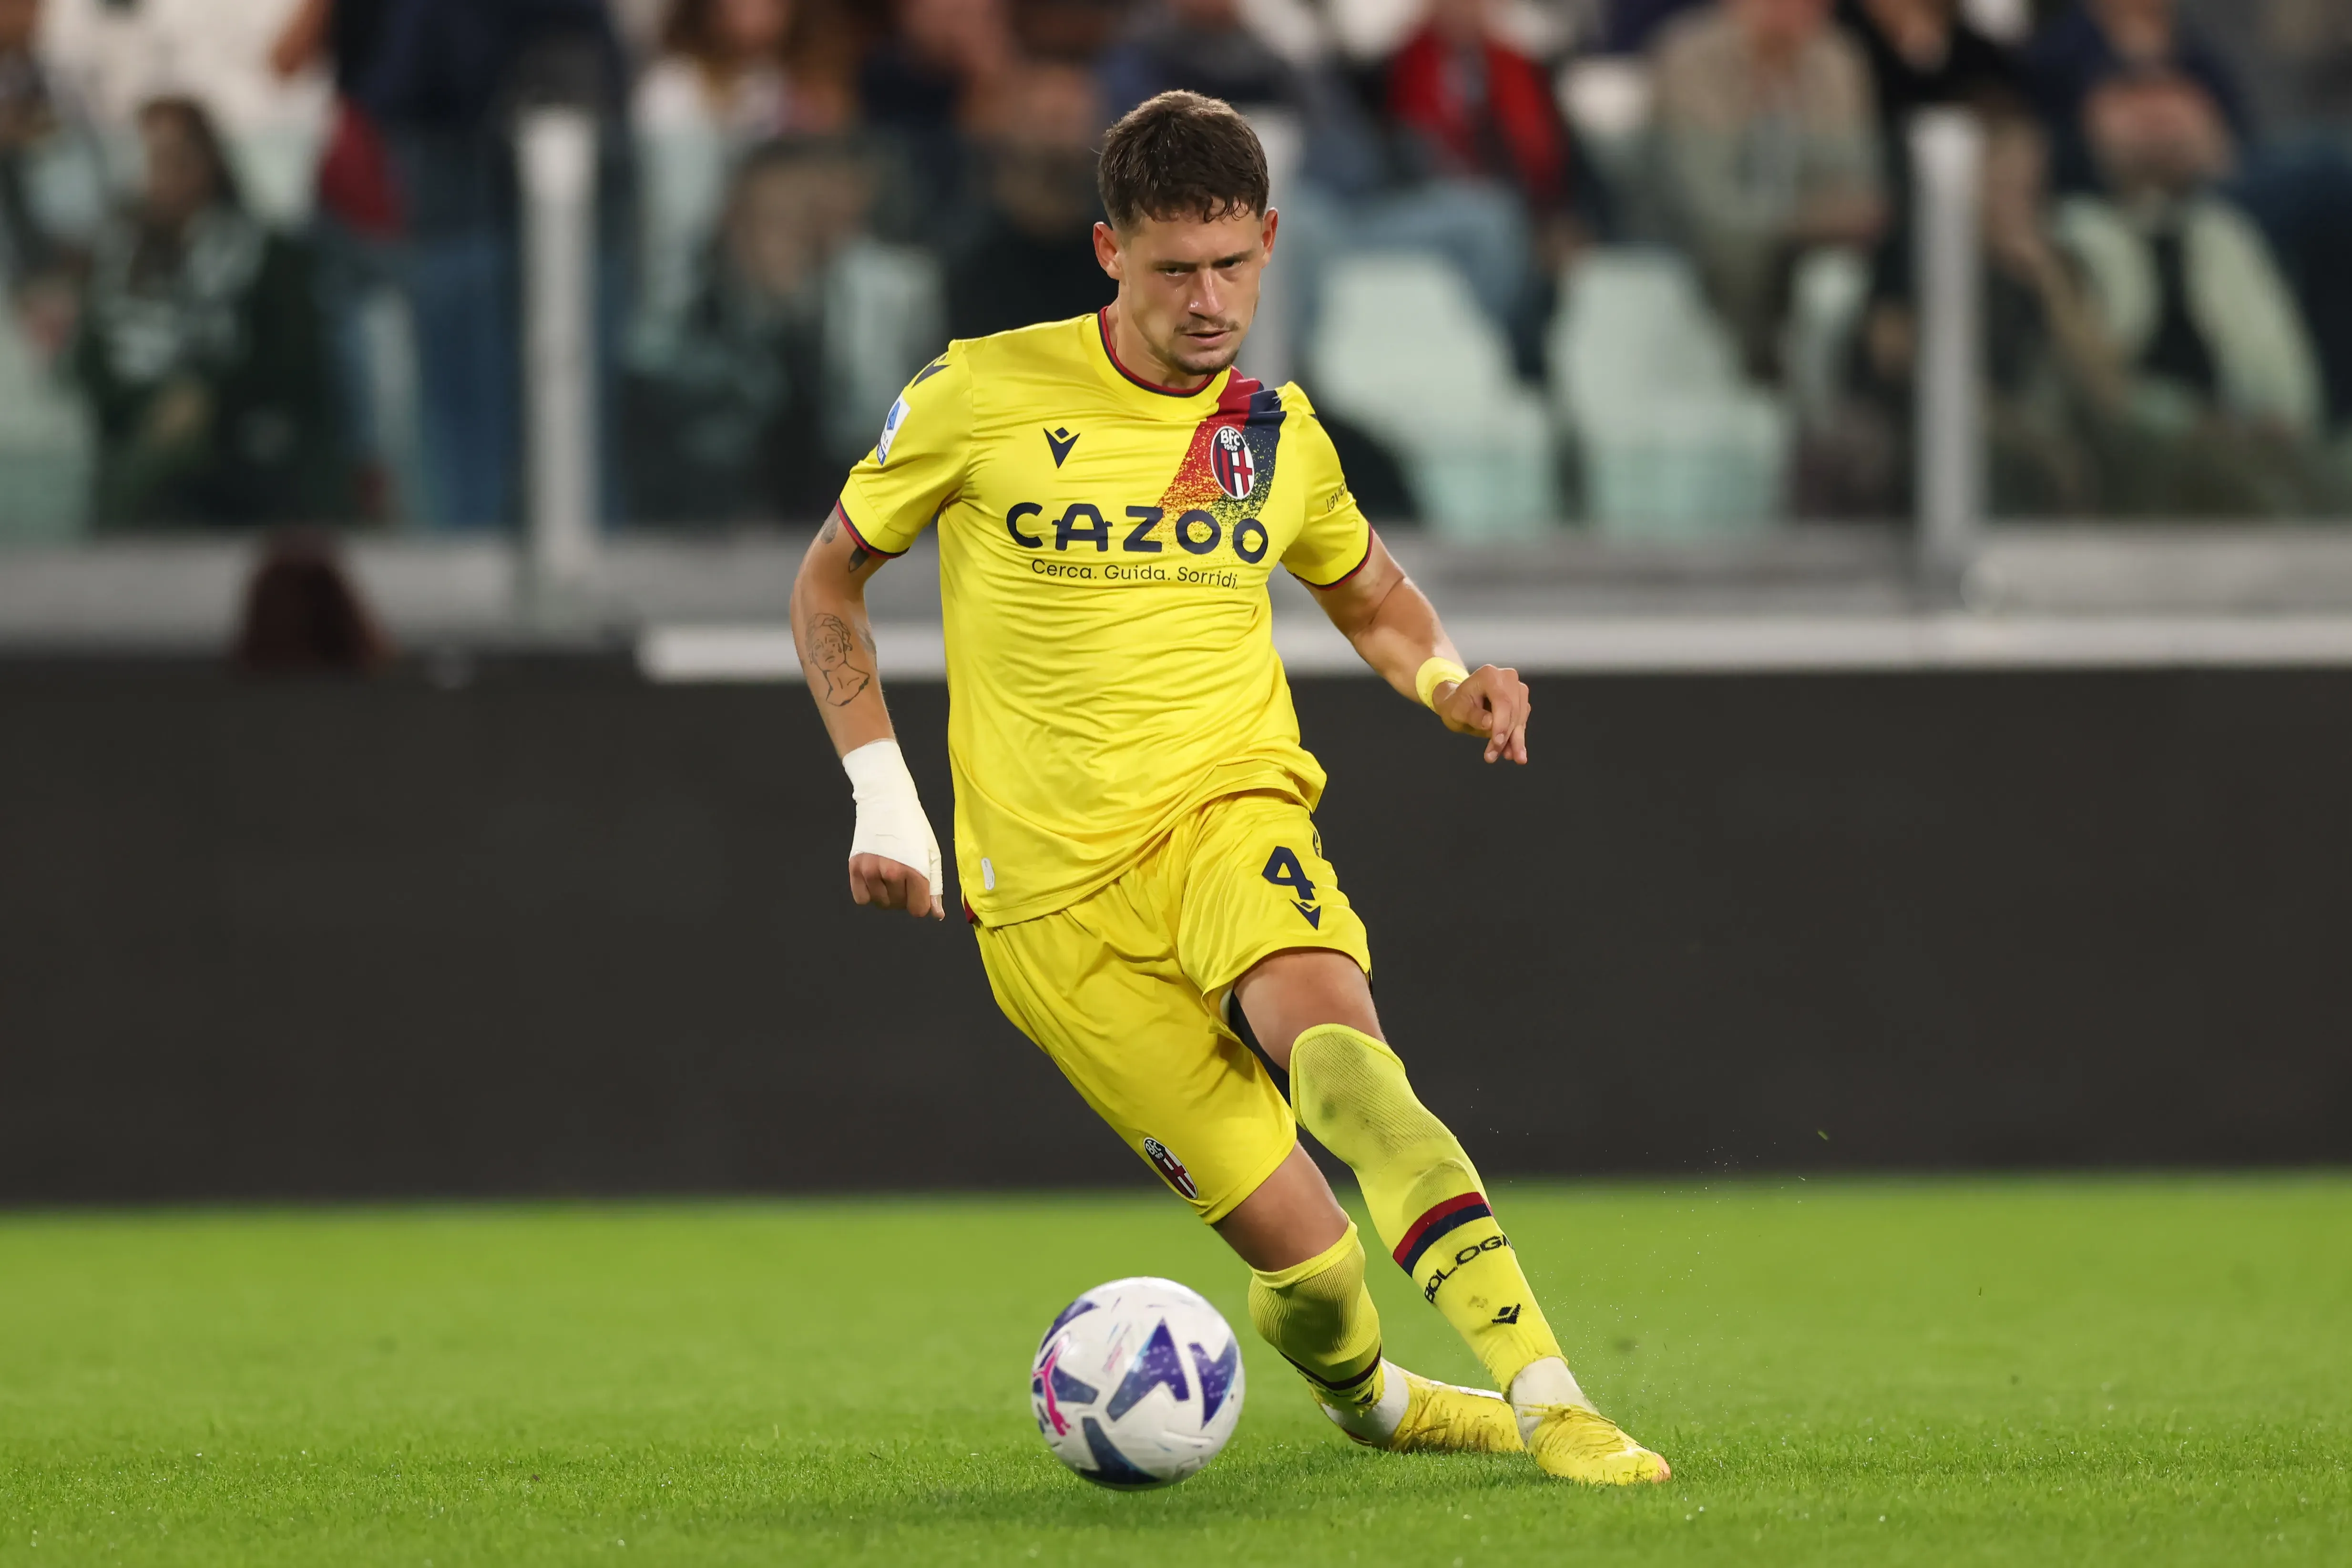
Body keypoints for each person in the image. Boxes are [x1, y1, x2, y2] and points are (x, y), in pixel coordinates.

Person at [787, 90, 1670, 1486]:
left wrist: (1449, 680)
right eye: (1171, 270)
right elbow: (828, 581)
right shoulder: (980, 393)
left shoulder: (1270, 430)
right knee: (1313, 1270)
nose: (1207, 303)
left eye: (1230, 265)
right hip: (1050, 908)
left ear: (1267, 240)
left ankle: (1552, 1395)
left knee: (1349, 1067)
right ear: (1108, 252)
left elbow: (1369, 595)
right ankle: (1374, 1399)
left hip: (1228, 815)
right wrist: (881, 795)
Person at [74, 96, 344, 528]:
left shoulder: (266, 254)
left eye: (178, 160)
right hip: (139, 430)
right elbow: (92, 363)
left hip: (242, 446)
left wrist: (209, 400)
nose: (164, 176)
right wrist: (154, 405)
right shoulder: (116, 259)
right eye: (152, 160)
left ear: (209, 163)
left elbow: (295, 366)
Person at [1653, 0, 1887, 376]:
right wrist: (1799, 218)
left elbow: (1856, 180)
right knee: (1737, 254)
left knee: (1849, 276)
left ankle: (1839, 386)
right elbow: (1710, 199)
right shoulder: (1693, 57)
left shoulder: (1835, 59)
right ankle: (1755, 372)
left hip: (1811, 241)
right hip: (1706, 245)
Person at [944, 61, 1112, 340]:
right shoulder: (970, 259)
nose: (1057, 142)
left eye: (1070, 122)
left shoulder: (1121, 261)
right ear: (1011, 131)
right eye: (1047, 121)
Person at [2025, 0, 2250, 192]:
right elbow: (2045, 148)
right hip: (2100, 201)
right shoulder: (2058, 53)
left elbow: (2238, 133)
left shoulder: (2194, 47)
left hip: (2204, 195)